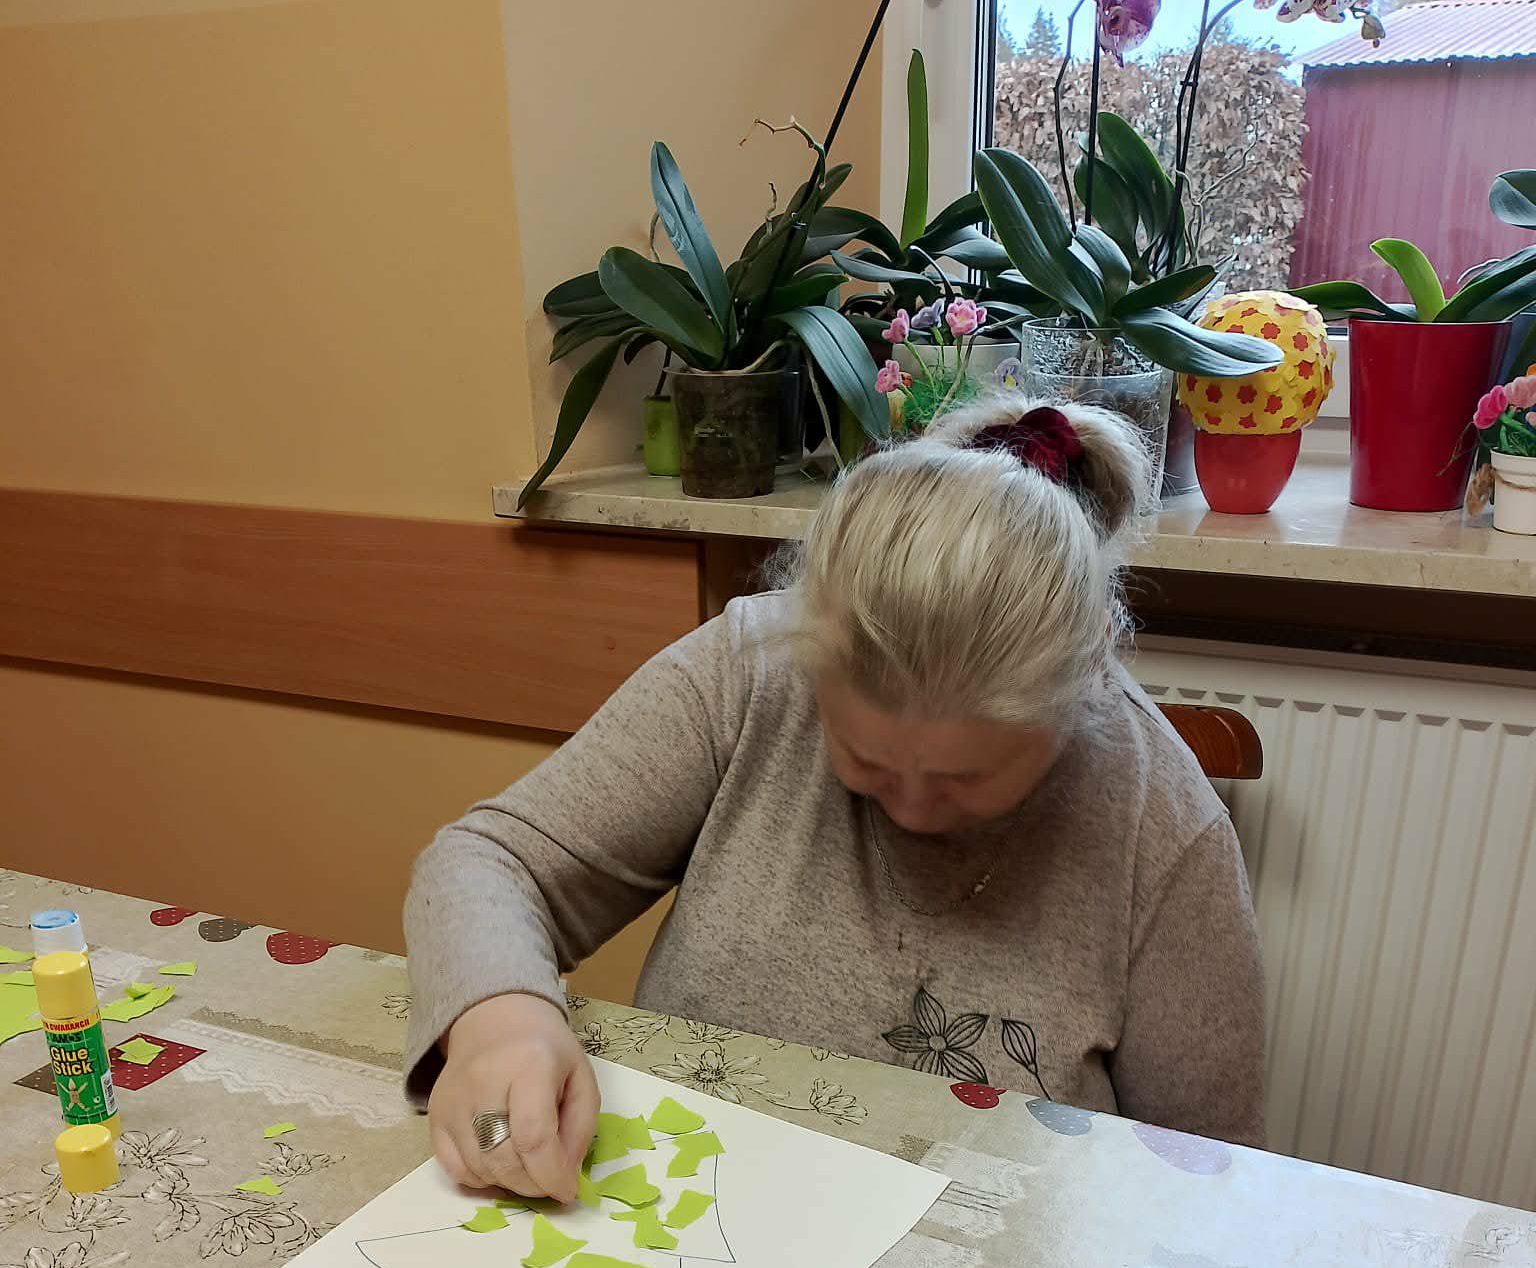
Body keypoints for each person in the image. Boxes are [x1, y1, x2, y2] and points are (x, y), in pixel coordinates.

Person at [405, 392, 1264, 1202]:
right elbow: (491, 862)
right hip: (698, 1210)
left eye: (967, 779)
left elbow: (1203, 1177)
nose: (913, 810)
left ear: (1083, 689)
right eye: (866, 761)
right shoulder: (753, 672)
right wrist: (501, 1023)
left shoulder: (1163, 827)